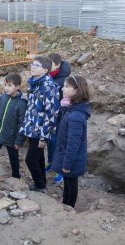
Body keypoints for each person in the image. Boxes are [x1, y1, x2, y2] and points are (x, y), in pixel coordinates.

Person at [20, 56, 59, 192]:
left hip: (40, 130)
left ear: (45, 70)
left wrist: (44, 137)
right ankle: (41, 183)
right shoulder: (35, 82)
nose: (32, 67)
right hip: (33, 127)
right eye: (32, 64)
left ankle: (39, 185)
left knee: (30, 160)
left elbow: (51, 114)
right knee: (39, 158)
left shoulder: (48, 87)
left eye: (37, 65)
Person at [51, 75, 91, 208]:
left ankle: (70, 205)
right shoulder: (70, 108)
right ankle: (65, 201)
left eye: (66, 86)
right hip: (69, 157)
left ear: (76, 90)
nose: (62, 89)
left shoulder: (76, 115)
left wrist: (67, 164)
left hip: (72, 159)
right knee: (68, 180)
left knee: (71, 182)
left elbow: (73, 144)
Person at [0, 73, 27, 178]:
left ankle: (16, 176)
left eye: (10, 85)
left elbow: (22, 123)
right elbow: (0, 115)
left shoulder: (21, 102)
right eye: (5, 85)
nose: (6, 88)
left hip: (11, 137)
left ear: (18, 87)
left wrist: (19, 141)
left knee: (13, 157)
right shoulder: (3, 96)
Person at [46, 53, 71, 185]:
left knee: (59, 142)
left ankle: (59, 170)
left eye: (51, 64)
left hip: (61, 116)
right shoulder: (50, 76)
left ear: (58, 65)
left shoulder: (63, 80)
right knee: (50, 140)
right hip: (51, 115)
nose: (48, 67)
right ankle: (51, 163)